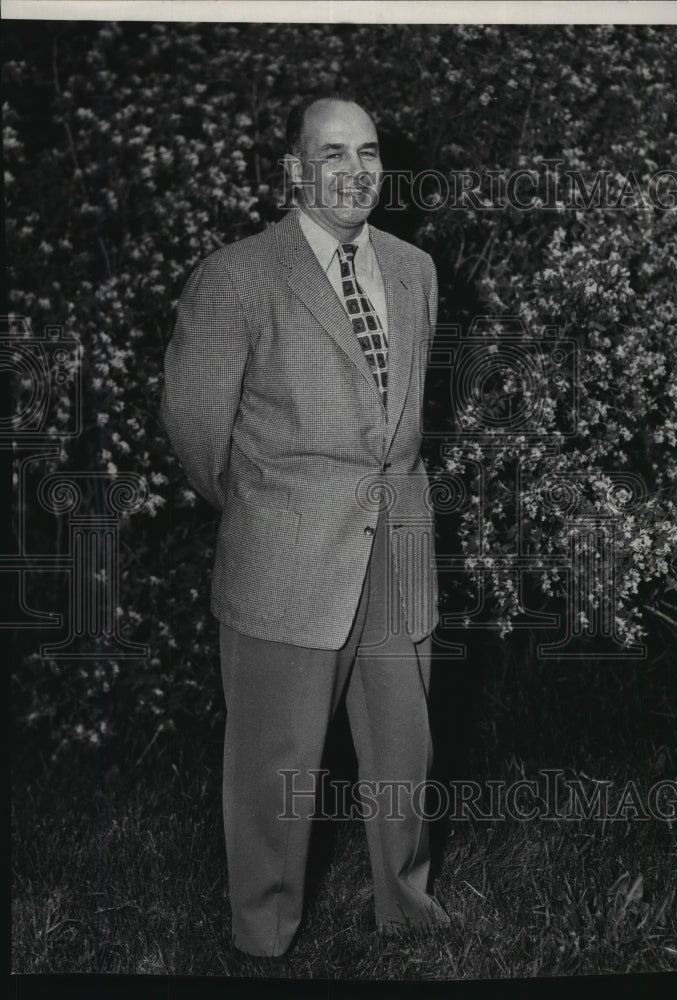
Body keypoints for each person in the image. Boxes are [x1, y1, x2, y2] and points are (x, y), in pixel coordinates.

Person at [161, 95, 447, 958]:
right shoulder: (239, 274)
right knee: (275, 766)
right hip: (285, 558)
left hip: (398, 548)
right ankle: (264, 931)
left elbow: (400, 414)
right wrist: (266, 509)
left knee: (404, 753)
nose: (354, 170)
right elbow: (193, 424)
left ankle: (407, 905)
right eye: (332, 153)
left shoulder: (413, 269)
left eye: (367, 151)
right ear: (295, 170)